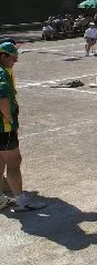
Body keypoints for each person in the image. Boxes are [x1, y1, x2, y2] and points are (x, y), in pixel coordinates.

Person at [0, 42, 45, 211]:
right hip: (3, 127)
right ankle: (21, 201)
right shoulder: (1, 73)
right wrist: (10, 120)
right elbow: (2, 100)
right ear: (3, 56)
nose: (16, 60)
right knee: (13, 161)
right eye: (13, 57)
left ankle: (0, 199)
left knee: (0, 160)